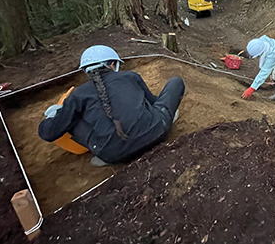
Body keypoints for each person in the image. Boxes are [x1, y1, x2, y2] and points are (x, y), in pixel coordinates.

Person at [38, 45, 185, 166]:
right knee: (175, 82)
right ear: (112, 64)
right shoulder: (131, 77)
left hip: (113, 155)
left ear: (86, 71)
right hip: (157, 132)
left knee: (71, 119)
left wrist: (55, 115)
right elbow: (153, 101)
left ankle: (104, 150)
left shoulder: (78, 95)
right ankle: (168, 118)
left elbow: (49, 133)